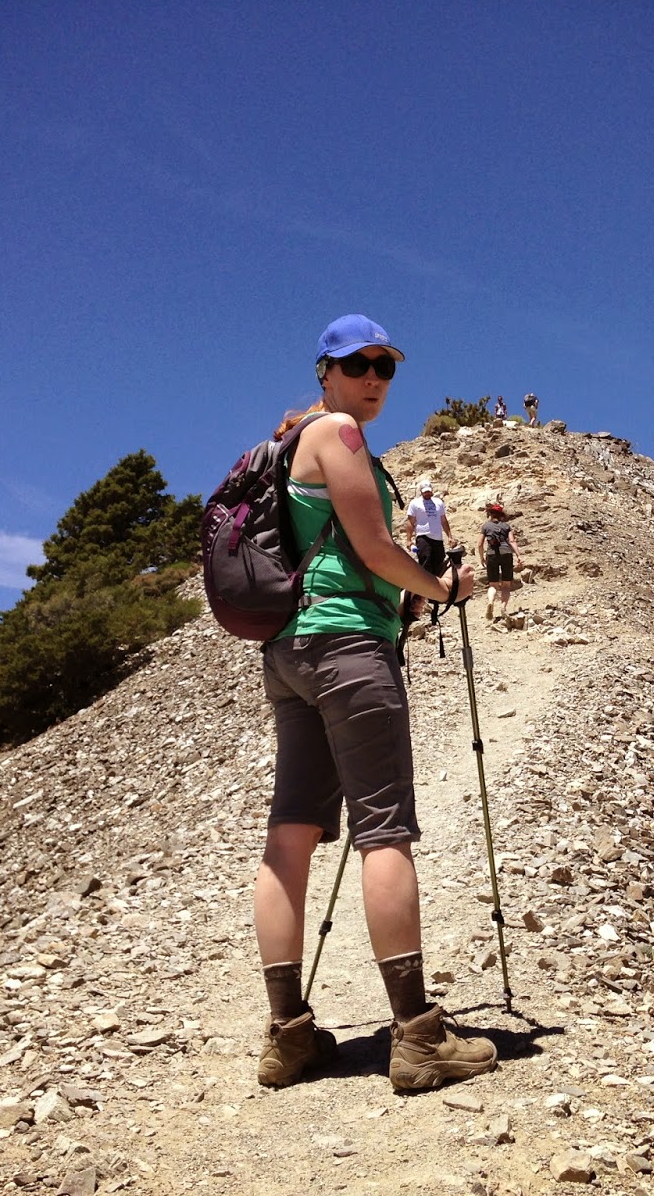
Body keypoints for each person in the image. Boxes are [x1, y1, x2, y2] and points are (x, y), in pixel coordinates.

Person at [253, 313, 498, 1093]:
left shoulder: (288, 442)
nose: (372, 378)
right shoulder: (339, 436)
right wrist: (444, 589)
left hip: (290, 650)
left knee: (290, 834)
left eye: (384, 366)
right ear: (324, 371)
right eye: (356, 364)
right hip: (348, 649)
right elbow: (375, 550)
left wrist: (406, 598)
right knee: (384, 830)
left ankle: (287, 1037)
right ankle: (418, 1038)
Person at [403, 479, 456, 577]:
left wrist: (450, 536)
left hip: (438, 538)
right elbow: (410, 522)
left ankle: (438, 585)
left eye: (429, 491)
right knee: (425, 563)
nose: (427, 494)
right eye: (425, 492)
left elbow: (443, 521)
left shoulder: (438, 502)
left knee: (439, 563)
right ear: (421, 492)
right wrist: (408, 540)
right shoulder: (415, 503)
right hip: (423, 537)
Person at [481, 502, 522, 621]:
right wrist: (518, 555)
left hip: (491, 554)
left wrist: (481, 557)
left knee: (493, 584)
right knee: (506, 584)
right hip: (506, 554)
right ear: (501, 515)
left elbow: (479, 544)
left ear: (490, 514)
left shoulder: (485, 526)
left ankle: (490, 601)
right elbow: (512, 541)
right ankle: (503, 607)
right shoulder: (506, 526)